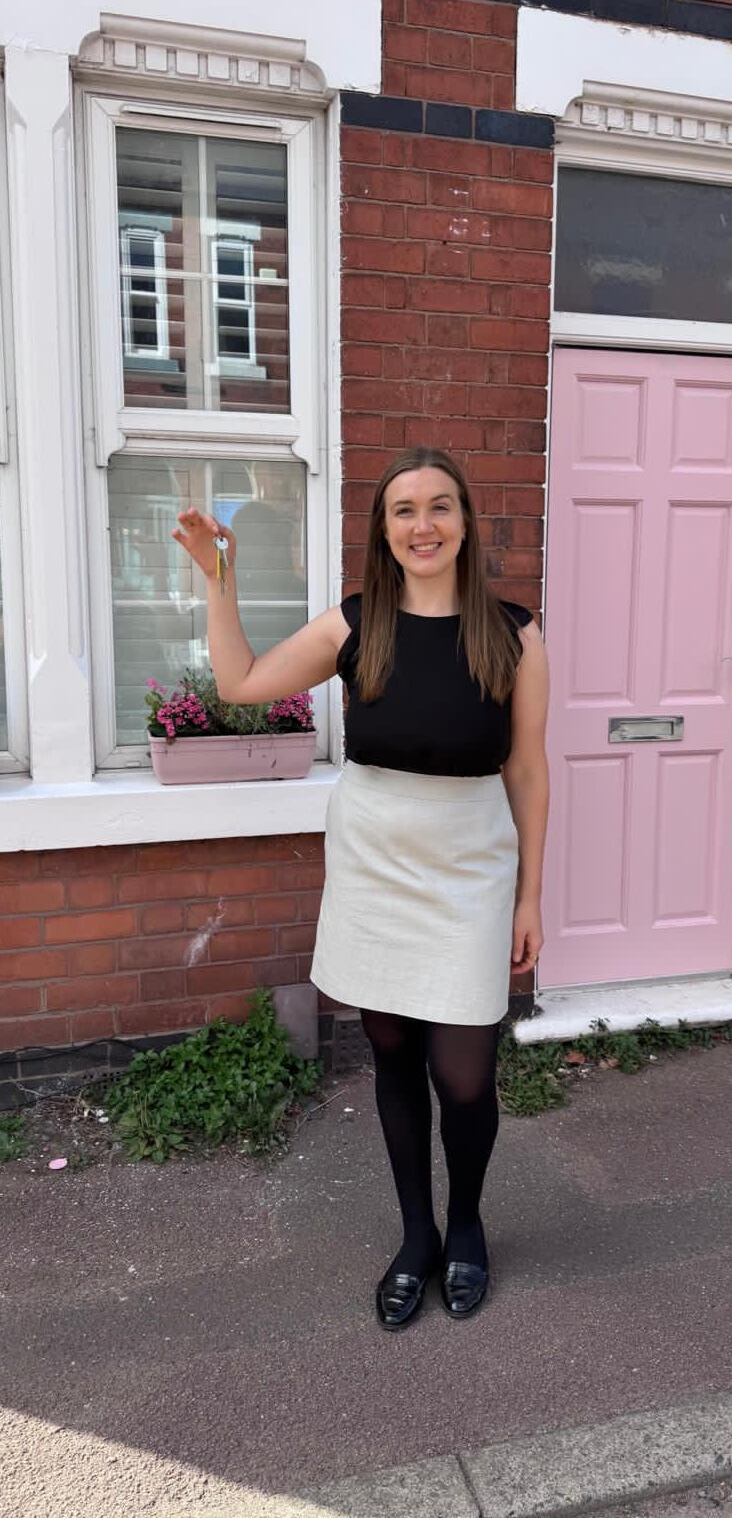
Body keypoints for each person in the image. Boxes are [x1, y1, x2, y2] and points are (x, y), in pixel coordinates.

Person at [173, 448, 550, 1329]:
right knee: (392, 1055)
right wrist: (219, 580)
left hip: (471, 862)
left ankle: (466, 1226)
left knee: (465, 1073)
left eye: (440, 506)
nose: (423, 525)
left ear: (465, 522)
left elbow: (528, 770)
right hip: (374, 858)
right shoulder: (355, 626)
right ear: (383, 532)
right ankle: (417, 1237)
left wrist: (530, 895)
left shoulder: (514, 633)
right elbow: (239, 685)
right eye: (403, 510)